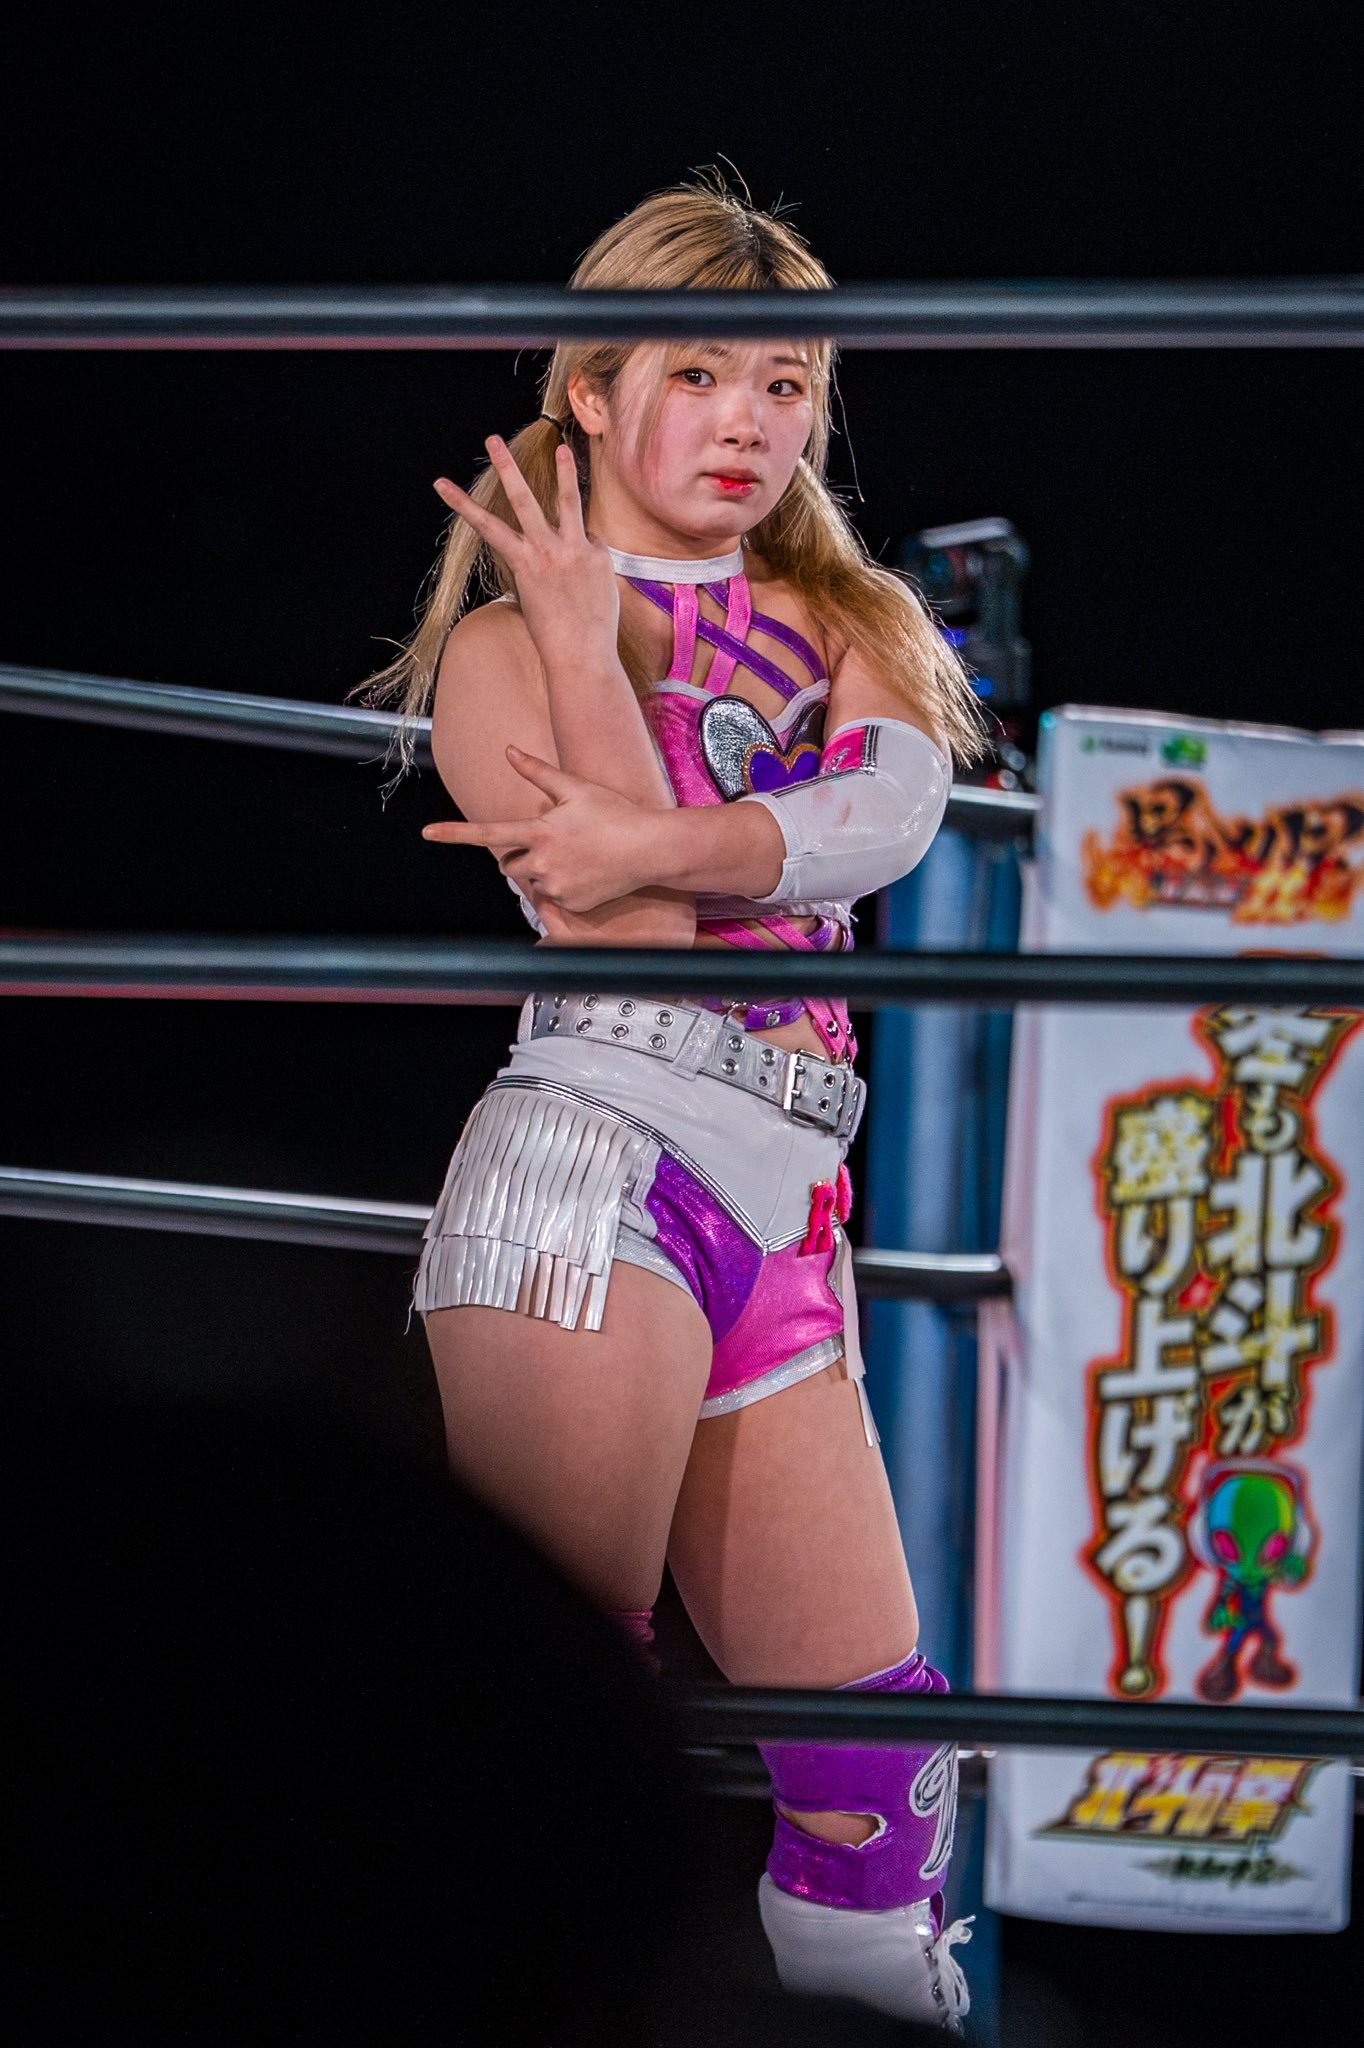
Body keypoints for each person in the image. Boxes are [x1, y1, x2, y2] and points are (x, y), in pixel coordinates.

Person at [367, 175, 987, 2030]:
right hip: (598, 1168)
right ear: (592, 389)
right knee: (554, 1725)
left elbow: (892, 816)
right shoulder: (500, 645)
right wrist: (580, 645)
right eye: (700, 372)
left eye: (787, 383)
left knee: (880, 1775)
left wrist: (654, 836)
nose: (748, 421)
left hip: (789, 1209)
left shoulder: (848, 610)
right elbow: (631, 932)